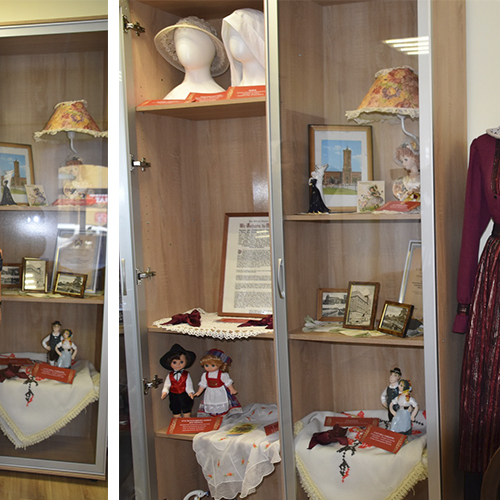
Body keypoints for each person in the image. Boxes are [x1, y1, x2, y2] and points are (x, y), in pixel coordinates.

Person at [452, 127, 500, 495]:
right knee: (488, 393)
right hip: (497, 282)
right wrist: (463, 306)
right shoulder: (485, 147)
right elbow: (472, 225)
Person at [154, 17, 229, 100]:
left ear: (212, 49)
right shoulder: (173, 96)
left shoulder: (221, 95)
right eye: (179, 41)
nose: (185, 50)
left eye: (194, 41)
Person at [222, 8, 265, 87]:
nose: (233, 42)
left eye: (241, 35)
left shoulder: (274, 88)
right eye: (230, 36)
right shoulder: (235, 91)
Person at [194, 349, 241, 417]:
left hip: (220, 391)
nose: (209, 368)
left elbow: (228, 382)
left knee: (220, 403)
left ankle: (221, 415)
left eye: (213, 365)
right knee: (210, 404)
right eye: (206, 365)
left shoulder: (222, 375)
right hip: (210, 392)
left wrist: (232, 389)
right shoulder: (205, 375)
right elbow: (203, 384)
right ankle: (212, 415)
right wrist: (199, 392)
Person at [159, 343, 196, 418]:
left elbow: (189, 384)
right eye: (174, 362)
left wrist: (190, 392)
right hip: (174, 395)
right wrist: (165, 392)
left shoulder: (186, 374)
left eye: (181, 362)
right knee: (175, 409)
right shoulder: (170, 375)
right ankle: (177, 420)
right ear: (169, 362)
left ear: (186, 361)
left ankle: (187, 419)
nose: (178, 365)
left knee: (186, 408)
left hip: (184, 394)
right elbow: (167, 385)